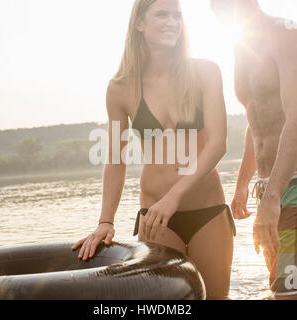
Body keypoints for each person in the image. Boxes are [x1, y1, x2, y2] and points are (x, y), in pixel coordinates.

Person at [72, 0, 236, 300]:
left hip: (207, 213)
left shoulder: (206, 72)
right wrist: (105, 222)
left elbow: (217, 144)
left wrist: (173, 197)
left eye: (177, 16)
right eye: (162, 14)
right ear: (139, 23)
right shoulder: (121, 88)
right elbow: (116, 159)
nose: (172, 22)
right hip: (156, 218)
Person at [210, 0, 297, 299]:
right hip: (269, 187)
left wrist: (272, 199)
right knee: (283, 289)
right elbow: (257, 121)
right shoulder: (240, 47)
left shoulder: (286, 34)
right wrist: (243, 184)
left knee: (293, 295)